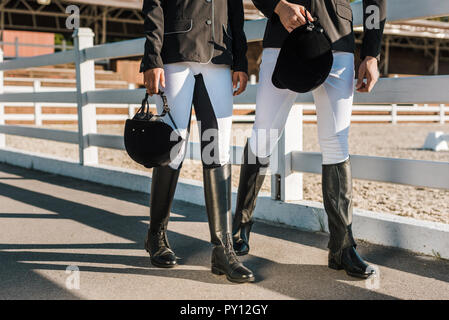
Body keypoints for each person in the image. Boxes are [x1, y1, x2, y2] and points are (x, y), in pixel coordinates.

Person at [232, 0, 386, 279]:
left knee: (336, 142)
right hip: (283, 39)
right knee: (264, 133)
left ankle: (342, 246)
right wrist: (277, 6)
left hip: (337, 39)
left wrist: (372, 53)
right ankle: (239, 226)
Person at [141, 0, 254, 283]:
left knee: (219, 150)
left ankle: (222, 249)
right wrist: (152, 57)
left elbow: (236, 11)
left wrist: (240, 59)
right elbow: (153, 4)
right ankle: (156, 235)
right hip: (174, 54)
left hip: (219, 55)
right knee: (172, 150)